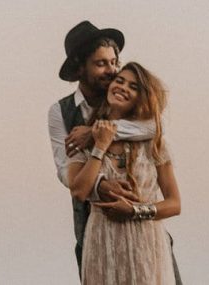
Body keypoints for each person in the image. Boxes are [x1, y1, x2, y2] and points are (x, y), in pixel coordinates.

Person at [48, 21, 182, 280]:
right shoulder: (61, 113)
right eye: (101, 64)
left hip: (147, 236)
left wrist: (99, 132)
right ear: (80, 69)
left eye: (114, 62)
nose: (111, 72)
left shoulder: (137, 115)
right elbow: (67, 173)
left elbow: (156, 126)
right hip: (97, 226)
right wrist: (101, 183)